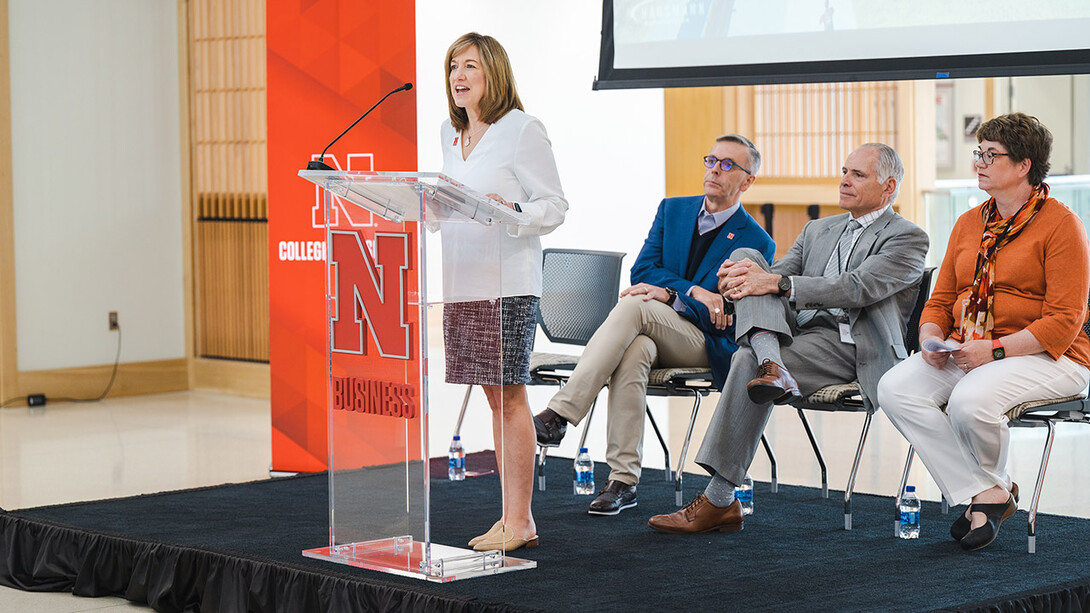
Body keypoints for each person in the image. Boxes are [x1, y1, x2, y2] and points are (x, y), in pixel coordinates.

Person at [648, 143, 929, 534]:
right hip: (794, 332)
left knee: (745, 357)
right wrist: (740, 278)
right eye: (844, 171)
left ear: (889, 186)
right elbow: (773, 275)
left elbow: (857, 287)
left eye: (858, 175)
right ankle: (772, 366)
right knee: (748, 254)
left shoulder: (908, 237)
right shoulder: (819, 228)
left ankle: (719, 498)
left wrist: (771, 282)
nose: (845, 180)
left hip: (850, 344)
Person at [877, 113, 1090, 551]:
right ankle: (989, 490)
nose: (979, 162)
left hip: (1053, 355)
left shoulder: (1062, 224)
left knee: (969, 400)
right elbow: (940, 299)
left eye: (991, 155)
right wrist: (931, 337)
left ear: (1023, 166)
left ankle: (988, 494)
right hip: (971, 348)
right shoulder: (969, 222)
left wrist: (993, 351)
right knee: (895, 388)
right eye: (979, 152)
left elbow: (1065, 320)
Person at [533, 134, 775, 516]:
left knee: (635, 305)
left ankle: (561, 414)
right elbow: (644, 269)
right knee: (634, 351)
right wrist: (690, 290)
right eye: (711, 159)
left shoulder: (756, 241)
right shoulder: (673, 211)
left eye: (727, 164)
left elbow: (724, 314)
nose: (714, 169)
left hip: (704, 342)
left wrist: (670, 295)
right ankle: (622, 481)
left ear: (747, 181)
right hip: (658, 329)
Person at [440, 32, 568, 552]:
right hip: (461, 283)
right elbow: (451, 201)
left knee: (510, 397)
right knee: (493, 400)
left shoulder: (522, 129)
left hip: (507, 286)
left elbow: (554, 206)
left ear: (493, 73)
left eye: (470, 65)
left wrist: (512, 212)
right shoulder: (450, 136)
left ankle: (522, 521)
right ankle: (509, 515)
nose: (459, 76)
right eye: (453, 66)